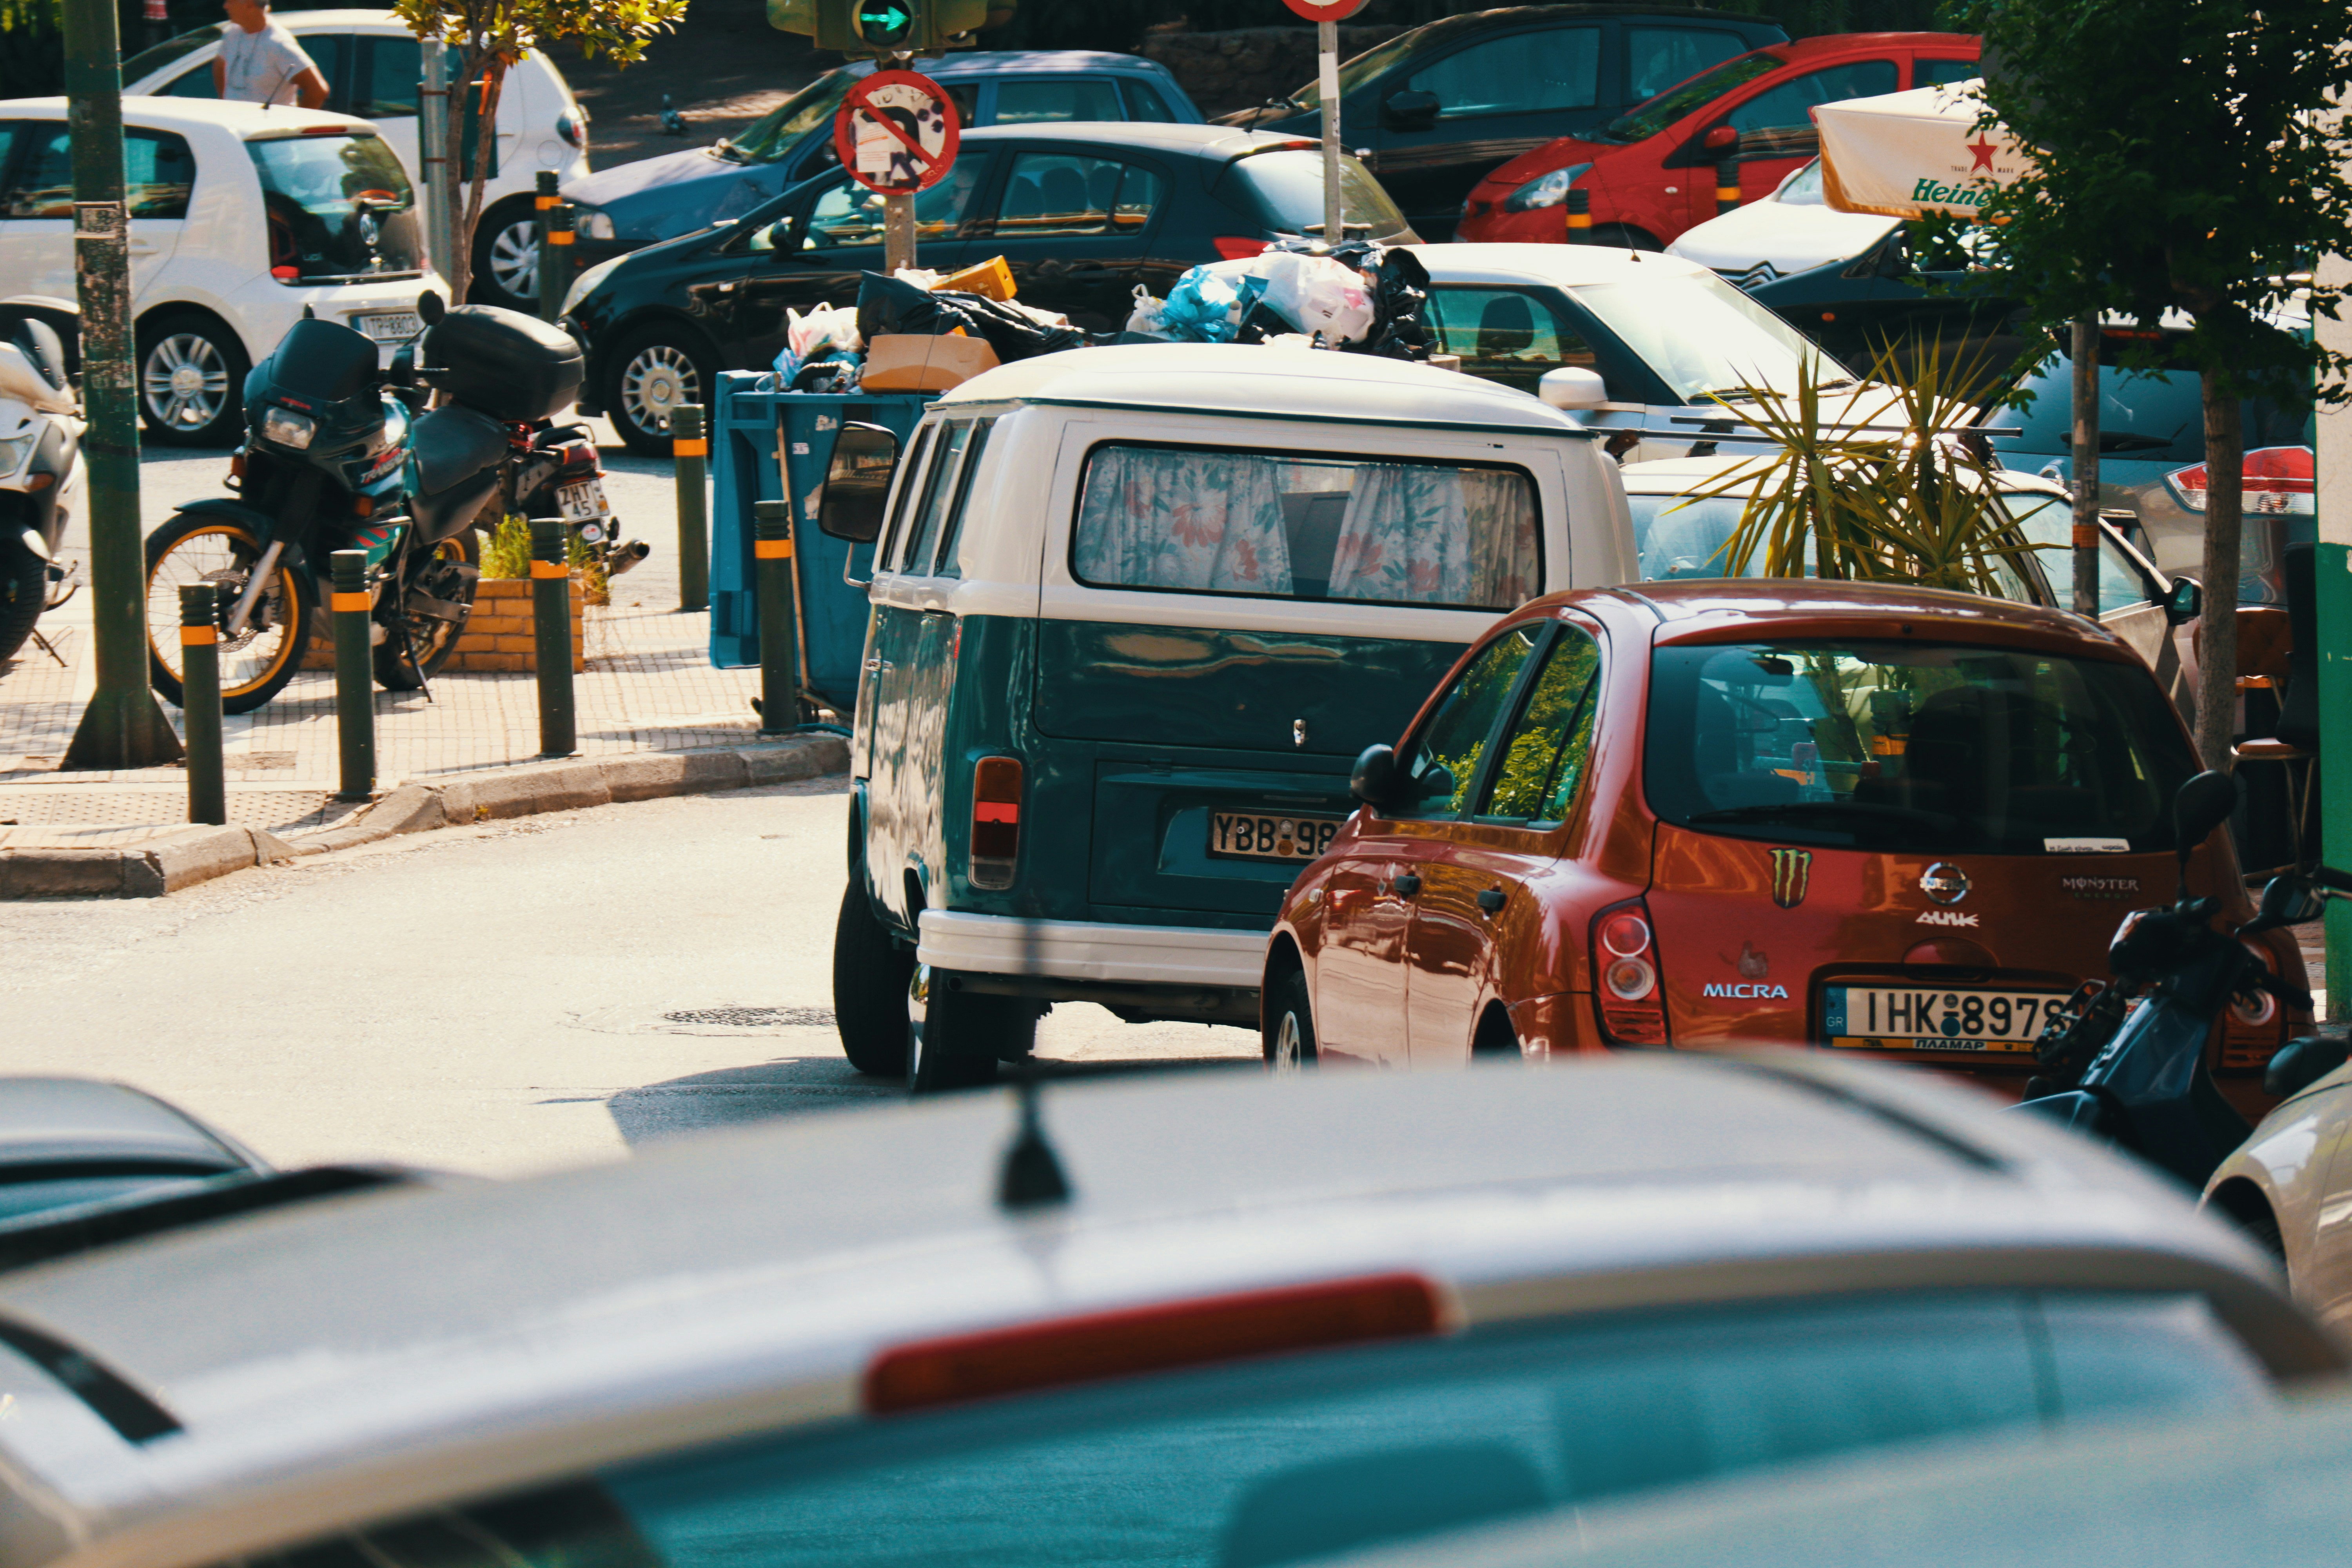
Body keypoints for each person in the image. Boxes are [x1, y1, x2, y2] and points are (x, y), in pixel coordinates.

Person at [212, 0, 329, 109]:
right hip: (236, 126)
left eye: (231, 1)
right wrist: (224, 101)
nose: (225, 6)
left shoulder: (278, 43)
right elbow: (219, 65)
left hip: (265, 128)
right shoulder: (232, 33)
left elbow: (318, 90)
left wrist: (297, 123)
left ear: (249, 4)